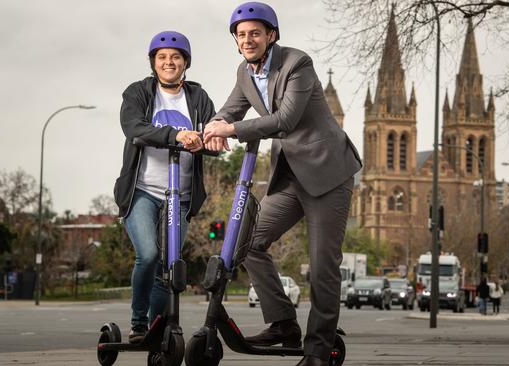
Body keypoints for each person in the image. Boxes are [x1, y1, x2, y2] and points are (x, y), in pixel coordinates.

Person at [203, 3, 361, 365]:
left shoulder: (297, 64)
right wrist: (209, 130)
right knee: (248, 242)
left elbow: (285, 119)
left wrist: (231, 130)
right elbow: (229, 111)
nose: (248, 40)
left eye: (255, 33)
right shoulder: (245, 72)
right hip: (290, 177)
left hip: (328, 174)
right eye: (241, 35)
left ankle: (318, 352)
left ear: (271, 35)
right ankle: (283, 323)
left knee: (323, 266)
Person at [114, 31, 215, 344]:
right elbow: (135, 129)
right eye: (162, 57)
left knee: (168, 264)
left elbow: (211, 135)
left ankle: (159, 328)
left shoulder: (198, 98)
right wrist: (178, 136)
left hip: (181, 196)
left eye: (176, 57)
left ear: (185, 62)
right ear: (154, 63)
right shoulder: (138, 93)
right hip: (142, 191)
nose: (169, 62)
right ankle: (138, 323)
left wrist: (208, 141)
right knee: (147, 254)